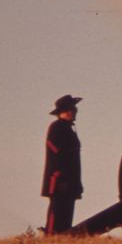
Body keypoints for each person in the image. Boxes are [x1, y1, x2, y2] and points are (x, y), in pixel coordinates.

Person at [41, 95, 84, 235]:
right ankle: (51, 236)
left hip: (70, 180)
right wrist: (62, 178)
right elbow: (59, 152)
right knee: (57, 210)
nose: (76, 110)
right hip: (60, 179)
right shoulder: (56, 128)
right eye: (73, 108)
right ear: (65, 111)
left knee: (67, 212)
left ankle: (63, 235)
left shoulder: (68, 128)